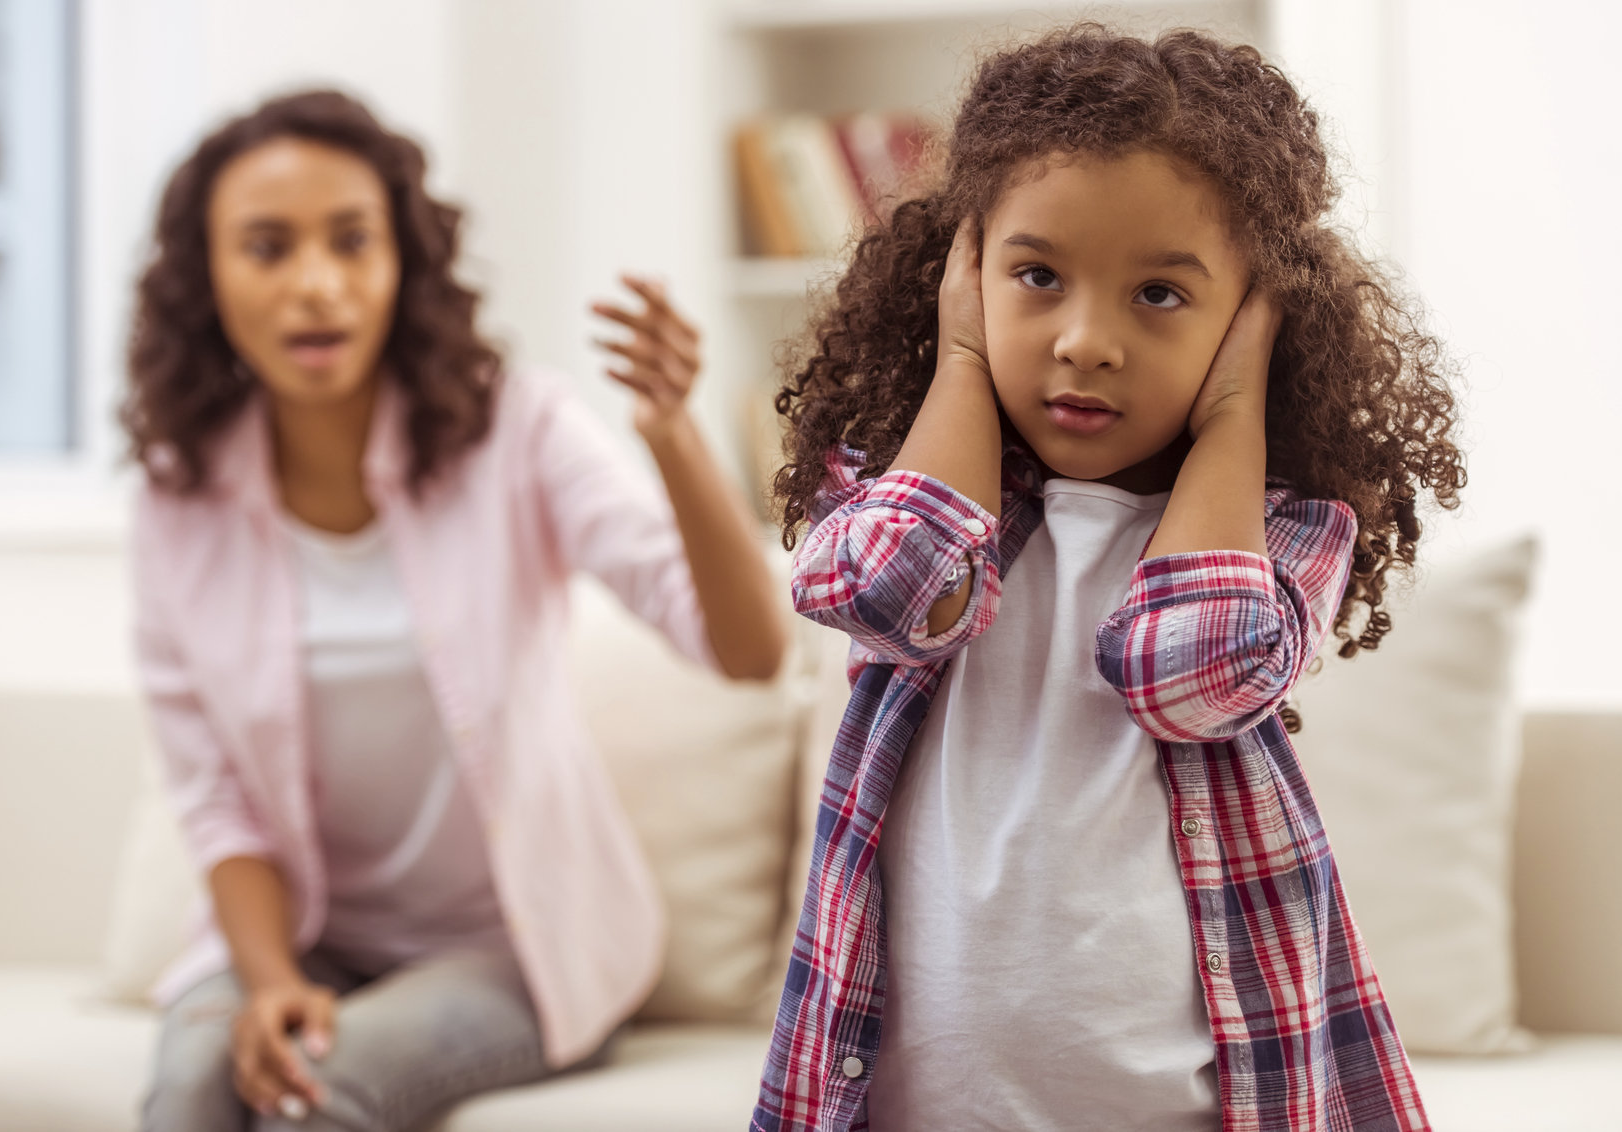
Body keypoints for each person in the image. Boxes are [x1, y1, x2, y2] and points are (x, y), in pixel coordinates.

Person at [753, 23, 1464, 1132]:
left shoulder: (1287, 521)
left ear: (1258, 321)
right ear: (963, 268)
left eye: (1161, 296)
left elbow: (1192, 676)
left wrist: (1234, 420)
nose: (1085, 340)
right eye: (1036, 274)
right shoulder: (900, 483)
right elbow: (888, 595)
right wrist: (958, 364)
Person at [121, 89, 786, 1131]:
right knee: (192, 1087)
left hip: (516, 950)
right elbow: (216, 801)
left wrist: (672, 436)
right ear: (209, 279)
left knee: (315, 1091)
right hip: (311, 939)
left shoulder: (517, 432)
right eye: (267, 247)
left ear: (402, 262)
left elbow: (748, 651)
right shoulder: (178, 502)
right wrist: (267, 981)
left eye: (352, 241)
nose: (316, 285)